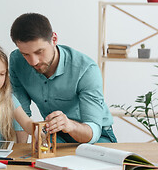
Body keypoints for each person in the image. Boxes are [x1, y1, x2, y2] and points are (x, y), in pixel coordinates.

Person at [9, 13, 117, 144]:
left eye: (39, 52)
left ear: (54, 39)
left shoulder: (86, 69)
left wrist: (69, 125)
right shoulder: (17, 61)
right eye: (25, 54)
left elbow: (93, 130)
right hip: (55, 135)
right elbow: (21, 112)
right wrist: (21, 151)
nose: (33, 61)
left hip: (97, 135)